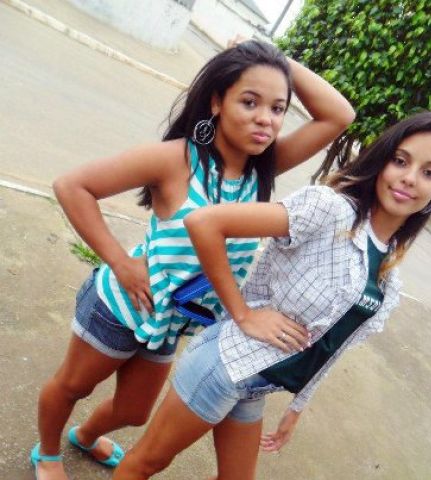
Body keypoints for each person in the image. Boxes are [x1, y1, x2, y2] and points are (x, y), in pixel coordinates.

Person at [30, 39, 355, 480]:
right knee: (73, 385)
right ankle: (48, 453)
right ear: (217, 102)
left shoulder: (262, 167)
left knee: (134, 412)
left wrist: (274, 58)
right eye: (250, 102)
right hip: (120, 305)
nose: (265, 118)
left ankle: (84, 436)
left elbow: (338, 116)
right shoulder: (176, 159)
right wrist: (120, 262)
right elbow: (72, 186)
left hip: (170, 320)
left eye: (277, 108)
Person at [111, 111, 431, 480]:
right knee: (147, 462)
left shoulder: (389, 275)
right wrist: (243, 314)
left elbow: (333, 346)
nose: (410, 178)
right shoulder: (331, 211)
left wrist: (298, 406)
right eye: (401, 161)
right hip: (224, 365)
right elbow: (205, 223)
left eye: (429, 172)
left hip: (256, 384)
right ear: (382, 161)